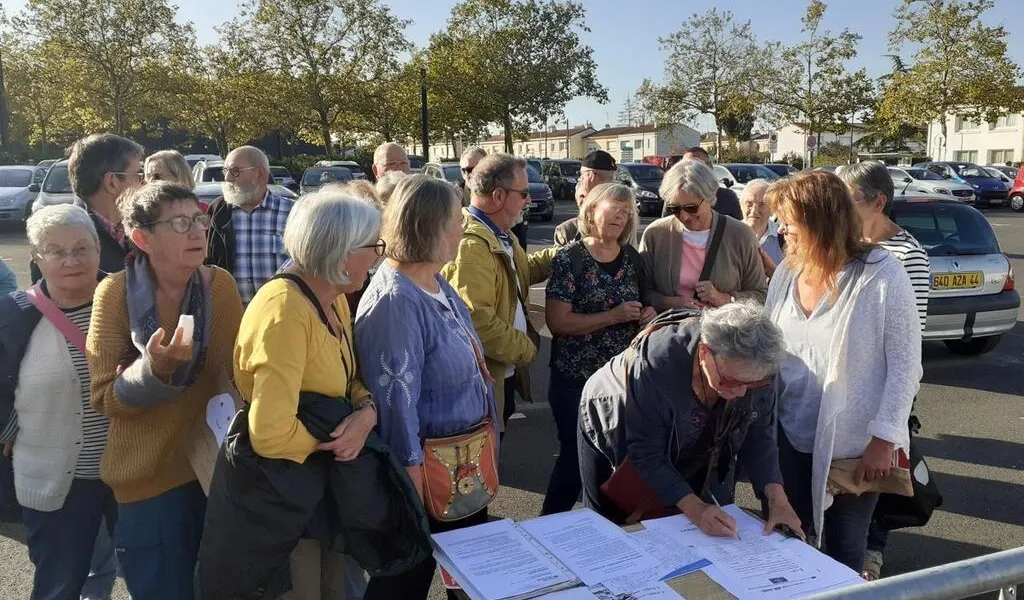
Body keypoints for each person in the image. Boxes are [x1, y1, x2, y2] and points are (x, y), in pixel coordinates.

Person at [88, 182, 243, 599]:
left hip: (213, 473)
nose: (197, 232)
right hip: (149, 481)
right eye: (179, 223)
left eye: (198, 218)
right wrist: (153, 372)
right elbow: (104, 397)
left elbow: (235, 380)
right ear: (142, 238)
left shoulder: (220, 287)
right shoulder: (115, 294)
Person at [764, 171, 921, 572]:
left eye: (789, 220)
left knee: (845, 548)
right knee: (790, 538)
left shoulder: (883, 274)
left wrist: (885, 439)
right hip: (789, 434)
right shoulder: (787, 272)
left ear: (821, 220)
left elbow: (906, 365)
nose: (781, 229)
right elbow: (768, 346)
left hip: (854, 447)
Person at [234, 189, 380, 600]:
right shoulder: (284, 311)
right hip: (290, 497)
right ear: (341, 252)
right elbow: (270, 434)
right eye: (372, 246)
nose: (377, 256)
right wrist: (338, 439)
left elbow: (349, 377)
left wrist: (367, 412)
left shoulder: (332, 300)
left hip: (323, 486)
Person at [356, 175, 496, 600]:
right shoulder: (395, 301)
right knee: (404, 583)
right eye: (456, 219)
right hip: (427, 478)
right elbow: (397, 405)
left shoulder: (435, 281)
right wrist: (412, 495)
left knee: (468, 581)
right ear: (427, 225)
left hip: (461, 469)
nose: (463, 228)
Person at [577, 302, 804, 538]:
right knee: (610, 525)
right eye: (731, 381)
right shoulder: (658, 361)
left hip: (694, 435)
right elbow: (646, 453)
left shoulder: (761, 368)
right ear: (705, 353)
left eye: (753, 384)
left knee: (697, 519)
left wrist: (778, 500)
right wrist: (696, 509)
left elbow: (760, 437)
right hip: (615, 416)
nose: (741, 393)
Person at [0, 205, 118, 600]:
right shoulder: (12, 316)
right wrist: (10, 428)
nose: (71, 260)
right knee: (60, 583)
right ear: (35, 257)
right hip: (56, 482)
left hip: (131, 472)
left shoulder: (127, 299)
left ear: (98, 249)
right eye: (56, 251)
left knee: (144, 574)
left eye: (82, 248)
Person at [839, 161, 930, 580]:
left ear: (878, 202)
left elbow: (908, 347)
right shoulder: (846, 244)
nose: (839, 207)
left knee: (876, 482)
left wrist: (890, 424)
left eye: (849, 199)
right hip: (844, 397)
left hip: (883, 394)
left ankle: (871, 555)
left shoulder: (906, 256)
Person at [541, 183, 655, 515]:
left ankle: (606, 538)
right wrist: (612, 316)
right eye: (614, 208)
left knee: (614, 463)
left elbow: (644, 306)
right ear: (591, 211)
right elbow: (558, 322)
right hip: (574, 379)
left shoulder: (632, 258)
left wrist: (646, 315)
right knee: (574, 460)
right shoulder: (570, 258)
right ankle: (549, 528)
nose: (622, 215)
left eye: (627, 211)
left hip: (620, 381)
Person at [441, 154, 556, 435]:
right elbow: (477, 322)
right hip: (484, 385)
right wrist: (526, 348)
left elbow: (518, 272)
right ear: (499, 195)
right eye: (524, 193)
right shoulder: (472, 247)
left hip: (499, 377)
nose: (528, 201)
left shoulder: (501, 235)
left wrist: (562, 255)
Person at [640, 160, 767, 312]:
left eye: (691, 208)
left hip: (723, 331)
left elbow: (761, 295)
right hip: (672, 331)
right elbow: (642, 291)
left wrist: (724, 298)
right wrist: (669, 302)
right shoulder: (656, 234)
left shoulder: (740, 235)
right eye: (674, 208)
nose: (684, 216)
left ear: (710, 198)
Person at [31, 133, 144, 283]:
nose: (144, 183)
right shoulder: (58, 238)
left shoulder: (146, 225)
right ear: (112, 182)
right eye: (138, 175)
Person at [205, 145, 294, 304]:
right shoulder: (218, 213)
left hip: (281, 312)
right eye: (226, 171)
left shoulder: (292, 213)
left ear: (260, 174)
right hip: (231, 314)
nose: (228, 178)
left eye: (235, 171)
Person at [553, 150, 617, 247]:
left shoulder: (568, 231)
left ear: (591, 176)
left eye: (582, 175)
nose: (580, 179)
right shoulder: (622, 220)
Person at [662, 147, 742, 220]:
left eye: (698, 166)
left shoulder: (727, 197)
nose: (684, 217)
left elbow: (738, 228)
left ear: (710, 167)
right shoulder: (672, 196)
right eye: (685, 165)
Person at [740, 179, 784, 278]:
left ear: (772, 209)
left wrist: (772, 272)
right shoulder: (727, 235)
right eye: (749, 204)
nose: (754, 211)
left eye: (762, 204)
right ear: (741, 205)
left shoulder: (783, 237)